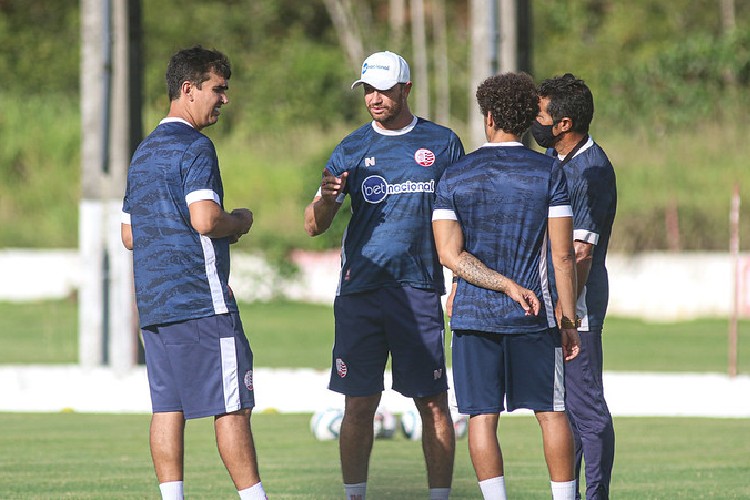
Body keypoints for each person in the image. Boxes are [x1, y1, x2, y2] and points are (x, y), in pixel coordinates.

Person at [304, 50, 465, 500]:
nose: (374, 98)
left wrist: (459, 283)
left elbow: (460, 222)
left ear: (406, 89)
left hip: (417, 290)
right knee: (358, 402)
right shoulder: (352, 147)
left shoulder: (444, 143)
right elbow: (313, 224)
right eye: (368, 89)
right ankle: (355, 494)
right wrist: (326, 199)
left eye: (383, 89)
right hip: (360, 292)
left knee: (432, 402)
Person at [120, 46, 267, 500]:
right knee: (233, 408)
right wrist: (238, 222)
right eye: (218, 89)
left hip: (155, 306)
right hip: (201, 302)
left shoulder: (143, 152)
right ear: (189, 89)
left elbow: (129, 233)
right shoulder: (195, 145)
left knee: (168, 407)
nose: (224, 99)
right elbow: (205, 218)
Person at [432, 72, 581, 500]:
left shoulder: (455, 175)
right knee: (551, 413)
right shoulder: (549, 171)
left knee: (482, 417)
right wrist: (567, 317)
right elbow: (562, 255)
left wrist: (496, 284)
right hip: (535, 317)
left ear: (490, 116)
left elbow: (450, 254)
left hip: (474, 317)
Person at [532, 73, 617, 500]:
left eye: (541, 114)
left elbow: (580, 253)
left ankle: (596, 495)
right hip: (562, 307)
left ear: (563, 124)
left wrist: (565, 314)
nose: (535, 120)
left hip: (576, 309)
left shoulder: (590, 170)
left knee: (587, 409)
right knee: (566, 412)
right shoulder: (563, 164)